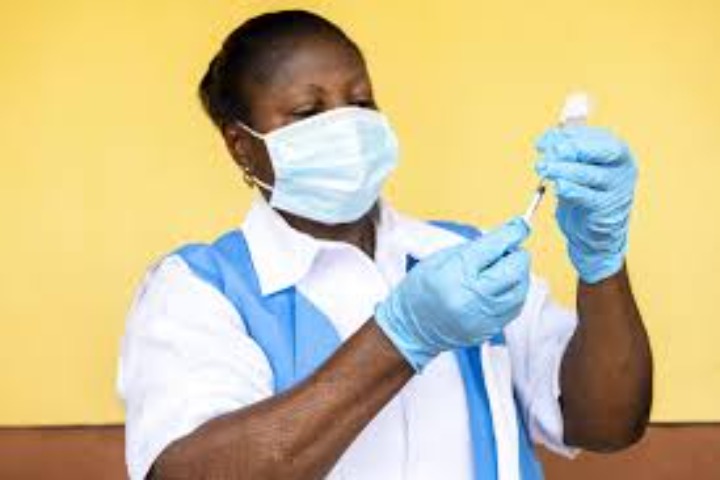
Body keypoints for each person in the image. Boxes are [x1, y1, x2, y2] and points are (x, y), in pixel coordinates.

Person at [117, 9, 653, 480]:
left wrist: (600, 260)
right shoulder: (198, 289)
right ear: (241, 146)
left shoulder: (463, 256)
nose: (347, 126)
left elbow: (607, 424)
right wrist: (400, 336)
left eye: (361, 102)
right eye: (307, 112)